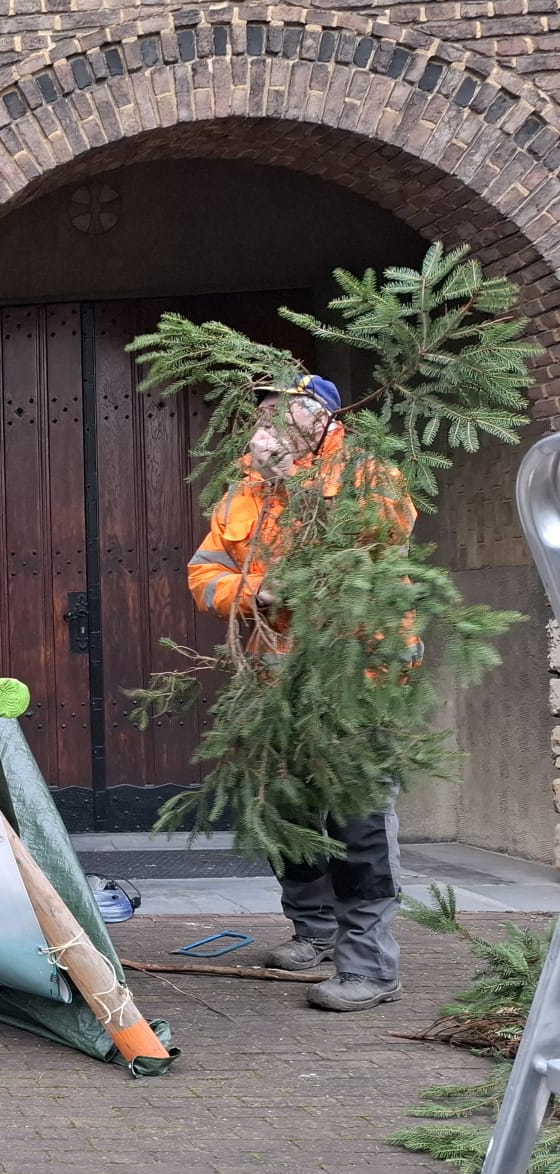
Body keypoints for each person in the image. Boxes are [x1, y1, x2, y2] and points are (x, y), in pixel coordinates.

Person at [186, 375, 416, 1011]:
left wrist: (293, 482)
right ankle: (313, 932)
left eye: (282, 407)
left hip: (356, 677)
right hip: (275, 680)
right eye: (263, 408)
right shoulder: (245, 486)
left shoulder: (369, 473)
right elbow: (205, 573)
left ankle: (370, 966)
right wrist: (254, 592)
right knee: (286, 813)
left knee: (358, 823)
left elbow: (384, 537)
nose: (267, 418)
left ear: (322, 417)